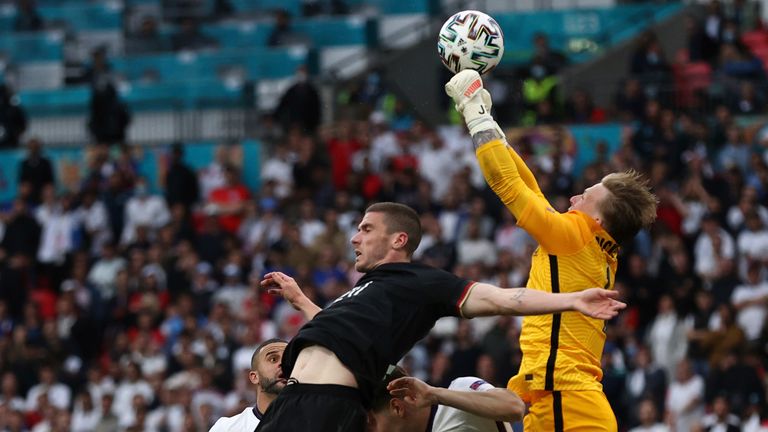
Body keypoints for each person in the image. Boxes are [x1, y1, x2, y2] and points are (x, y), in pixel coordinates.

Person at [255, 202, 626, 431]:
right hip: (292, 403)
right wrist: (301, 299)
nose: (355, 238)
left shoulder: (422, 281)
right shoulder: (363, 290)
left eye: (366, 229)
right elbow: (340, 339)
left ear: (399, 240)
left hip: (324, 406)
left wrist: (571, 300)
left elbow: (501, 299)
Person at [444, 69, 658, 432]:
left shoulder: (575, 235)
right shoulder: (589, 244)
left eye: (585, 196)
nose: (574, 197)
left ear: (599, 220)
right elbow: (531, 187)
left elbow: (509, 187)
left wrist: (473, 114)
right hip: (566, 399)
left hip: (563, 398)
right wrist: (492, 124)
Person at [367, 365, 521, 431]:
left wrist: (434, 394)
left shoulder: (460, 390)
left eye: (372, 425)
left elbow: (515, 407)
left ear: (397, 407)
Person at [210, 338, 288, 431]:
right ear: (254, 377)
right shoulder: (226, 428)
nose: (282, 364)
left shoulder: (309, 423)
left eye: (288, 360)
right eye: (273, 359)